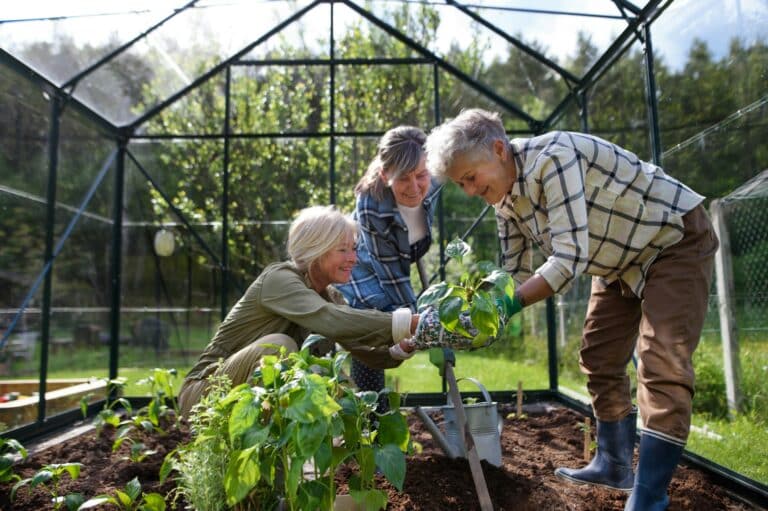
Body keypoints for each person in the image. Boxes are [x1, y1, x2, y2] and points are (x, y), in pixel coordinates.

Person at [422, 108, 718, 511]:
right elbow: (514, 273)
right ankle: (614, 463)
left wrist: (507, 306)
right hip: (616, 260)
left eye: (471, 178)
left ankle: (649, 495)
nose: (471, 191)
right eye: (461, 184)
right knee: (599, 356)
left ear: (498, 149)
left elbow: (567, 261)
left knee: (661, 360)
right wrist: (481, 312)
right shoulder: (504, 200)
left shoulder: (554, 158)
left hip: (671, 239)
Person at [178, 205, 419, 418]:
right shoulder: (279, 279)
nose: (353, 259)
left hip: (243, 392)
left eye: (354, 249)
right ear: (317, 249)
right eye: (343, 250)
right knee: (280, 347)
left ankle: (313, 467)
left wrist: (401, 348)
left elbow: (360, 346)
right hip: (205, 394)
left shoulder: (330, 297)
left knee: (333, 383)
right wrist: (407, 321)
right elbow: (331, 320)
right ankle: (264, 457)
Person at [336, 126, 440, 411]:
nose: (415, 186)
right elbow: (390, 275)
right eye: (403, 178)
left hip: (404, 254)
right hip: (364, 269)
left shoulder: (435, 176)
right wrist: (418, 324)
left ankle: (374, 419)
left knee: (399, 325)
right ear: (385, 175)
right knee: (371, 337)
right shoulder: (372, 202)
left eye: (421, 175)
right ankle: (370, 422)